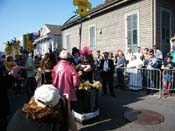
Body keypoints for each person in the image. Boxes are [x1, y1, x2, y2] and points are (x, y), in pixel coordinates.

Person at [52, 50, 79, 131]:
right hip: (68, 95)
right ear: (69, 58)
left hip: (57, 94)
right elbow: (76, 83)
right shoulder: (71, 68)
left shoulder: (55, 67)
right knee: (68, 113)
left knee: (58, 113)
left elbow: (53, 81)